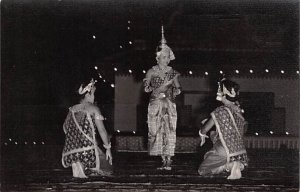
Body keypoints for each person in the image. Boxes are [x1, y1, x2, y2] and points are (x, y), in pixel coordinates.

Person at [143, 26, 181, 170]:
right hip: (156, 103)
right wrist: (154, 90)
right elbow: (146, 88)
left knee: (169, 130)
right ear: (158, 57)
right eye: (163, 57)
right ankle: (162, 158)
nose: (166, 60)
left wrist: (177, 91)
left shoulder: (173, 72)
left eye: (168, 57)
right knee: (156, 131)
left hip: (169, 103)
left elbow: (178, 87)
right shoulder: (151, 71)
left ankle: (169, 160)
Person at [62, 78, 113, 178]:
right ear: (87, 94)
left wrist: (75, 139)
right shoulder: (93, 108)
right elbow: (102, 131)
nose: (94, 96)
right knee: (108, 169)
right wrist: (108, 148)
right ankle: (87, 166)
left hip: (70, 151)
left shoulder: (72, 109)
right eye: (93, 93)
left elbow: (65, 127)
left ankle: (79, 163)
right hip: (88, 150)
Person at [198, 78, 248, 179]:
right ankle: (234, 164)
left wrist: (202, 133)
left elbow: (204, 130)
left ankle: (228, 165)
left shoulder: (220, 111)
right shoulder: (239, 113)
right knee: (214, 145)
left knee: (202, 170)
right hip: (240, 153)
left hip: (224, 150)